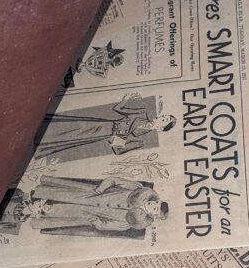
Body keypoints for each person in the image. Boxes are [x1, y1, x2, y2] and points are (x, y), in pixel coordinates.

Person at [35, 99, 176, 161]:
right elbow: (118, 109)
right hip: (104, 124)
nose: (162, 117)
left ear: (161, 129)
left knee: (72, 137)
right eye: (164, 116)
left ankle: (39, 140)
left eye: (165, 120)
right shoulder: (141, 112)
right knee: (73, 125)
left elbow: (118, 151)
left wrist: (116, 141)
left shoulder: (141, 140)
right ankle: (38, 127)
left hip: (104, 134)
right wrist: (126, 100)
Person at [29, 173, 169, 235]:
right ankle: (32, 193)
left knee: (56, 210)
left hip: (88, 213)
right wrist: (101, 189)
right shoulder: (137, 189)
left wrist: (96, 222)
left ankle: (30, 212)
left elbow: (106, 226)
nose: (152, 207)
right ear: (156, 200)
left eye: (154, 211)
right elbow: (113, 180)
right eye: (156, 205)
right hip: (91, 194)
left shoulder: (127, 224)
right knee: (55, 193)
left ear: (152, 216)